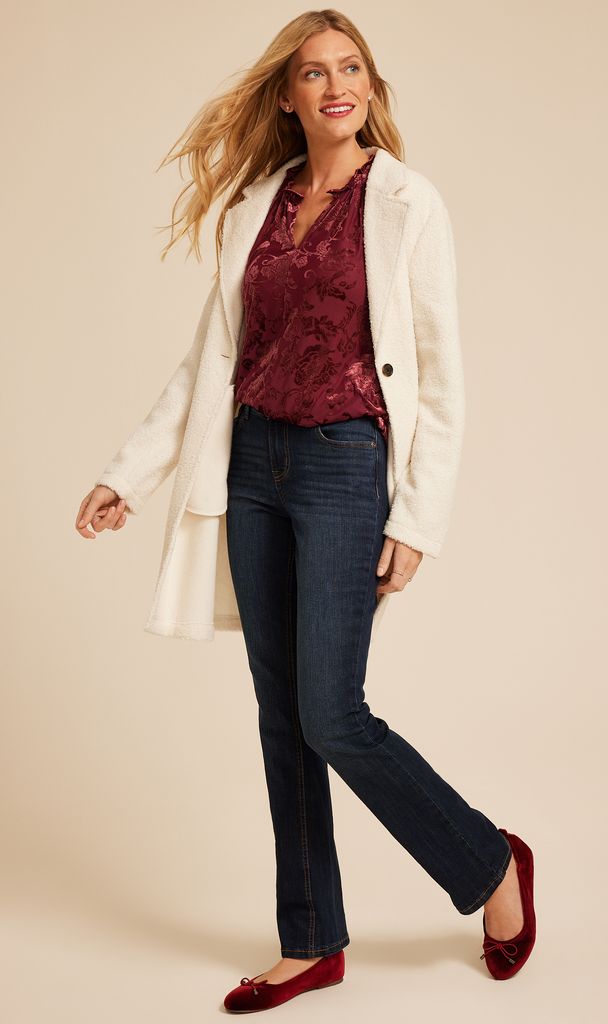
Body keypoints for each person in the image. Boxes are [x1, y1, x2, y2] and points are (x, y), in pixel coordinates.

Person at [76, 10, 536, 1011]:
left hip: (343, 467)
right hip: (252, 467)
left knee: (332, 713)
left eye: (351, 68)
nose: (337, 86)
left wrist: (415, 520)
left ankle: (490, 862)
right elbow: (210, 362)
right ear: (287, 96)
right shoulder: (259, 202)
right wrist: (130, 473)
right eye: (315, 73)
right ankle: (311, 938)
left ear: (370, 86)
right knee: (282, 715)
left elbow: (442, 375)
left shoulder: (407, 203)